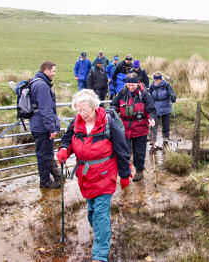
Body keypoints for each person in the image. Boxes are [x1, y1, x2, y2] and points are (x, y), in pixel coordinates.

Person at [56, 89, 131, 262]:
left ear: (94, 107)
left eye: (85, 111)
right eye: (79, 110)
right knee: (92, 212)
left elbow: (122, 149)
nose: (82, 114)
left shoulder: (108, 123)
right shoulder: (76, 121)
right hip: (86, 176)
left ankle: (100, 254)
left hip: (105, 175)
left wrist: (125, 174)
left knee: (100, 214)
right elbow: (68, 138)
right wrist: (63, 150)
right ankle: (101, 232)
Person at [110, 73, 156, 182]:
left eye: (133, 85)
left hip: (140, 128)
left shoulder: (144, 95)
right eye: (129, 85)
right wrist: (111, 115)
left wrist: (152, 118)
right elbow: (114, 106)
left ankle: (139, 170)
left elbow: (151, 110)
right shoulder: (122, 93)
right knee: (123, 151)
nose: (131, 87)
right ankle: (125, 173)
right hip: (124, 128)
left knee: (139, 152)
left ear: (137, 83)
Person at [30, 61, 61, 189]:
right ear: (46, 71)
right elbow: (46, 110)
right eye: (53, 71)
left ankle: (55, 176)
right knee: (44, 155)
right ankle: (45, 182)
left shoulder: (34, 82)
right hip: (42, 127)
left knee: (44, 154)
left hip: (37, 124)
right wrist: (51, 128)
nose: (54, 74)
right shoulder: (42, 86)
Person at [149, 72, 176, 145]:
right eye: (156, 80)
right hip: (155, 108)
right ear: (154, 80)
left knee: (166, 126)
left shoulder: (166, 85)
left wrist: (173, 97)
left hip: (166, 107)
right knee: (153, 125)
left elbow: (172, 94)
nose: (158, 82)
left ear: (161, 79)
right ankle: (152, 141)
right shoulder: (152, 86)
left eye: (159, 80)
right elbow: (148, 96)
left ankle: (165, 140)